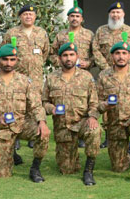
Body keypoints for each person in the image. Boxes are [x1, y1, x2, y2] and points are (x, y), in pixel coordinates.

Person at [0, 43, 50, 182]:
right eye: (5, 59)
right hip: (1, 129)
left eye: (12, 59)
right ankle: (11, 153)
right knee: (2, 173)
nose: (8, 63)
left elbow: (36, 105)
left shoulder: (24, 81)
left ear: (17, 60)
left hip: (22, 124)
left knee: (43, 134)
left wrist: (42, 122)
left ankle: (35, 168)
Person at [42, 40, 102, 186]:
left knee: (95, 131)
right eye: (65, 55)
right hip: (63, 126)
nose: (68, 58)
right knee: (67, 169)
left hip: (82, 122)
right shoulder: (51, 78)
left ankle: (89, 169)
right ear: (60, 58)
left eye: (71, 55)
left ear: (77, 56)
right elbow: (43, 102)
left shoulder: (86, 77)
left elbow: (94, 103)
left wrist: (93, 117)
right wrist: (52, 109)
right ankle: (72, 157)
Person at [96, 34, 130, 184]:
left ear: (129, 56)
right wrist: (105, 105)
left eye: (124, 53)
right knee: (119, 167)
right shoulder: (103, 76)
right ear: (112, 56)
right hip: (114, 122)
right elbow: (96, 102)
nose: (121, 56)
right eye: (117, 53)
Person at [3, 4, 50, 149]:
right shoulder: (12, 33)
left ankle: (33, 134)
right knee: (15, 105)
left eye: (31, 14)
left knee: (35, 105)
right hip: (17, 78)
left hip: (35, 78)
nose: (28, 16)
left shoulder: (41, 33)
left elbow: (45, 52)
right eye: (25, 14)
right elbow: (4, 52)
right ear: (20, 17)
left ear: (35, 17)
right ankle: (15, 134)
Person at [92, 1, 130, 71]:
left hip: (125, 71)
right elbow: (95, 50)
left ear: (123, 14)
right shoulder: (100, 30)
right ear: (109, 14)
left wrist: (124, 67)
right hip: (104, 72)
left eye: (118, 12)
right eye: (113, 12)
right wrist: (106, 68)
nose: (115, 15)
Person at [50, 0, 94, 71]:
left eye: (77, 16)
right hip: (65, 72)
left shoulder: (89, 34)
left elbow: (95, 54)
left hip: (83, 74)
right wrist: (62, 62)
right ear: (68, 18)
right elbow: (52, 54)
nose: (75, 19)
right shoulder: (61, 35)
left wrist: (88, 63)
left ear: (81, 19)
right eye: (72, 16)